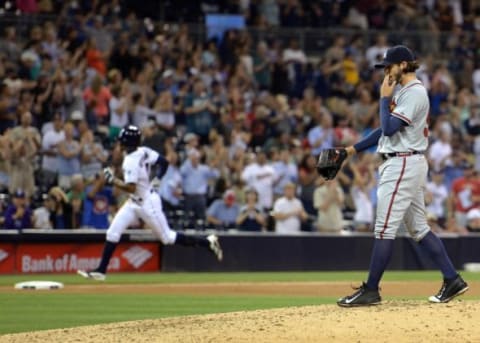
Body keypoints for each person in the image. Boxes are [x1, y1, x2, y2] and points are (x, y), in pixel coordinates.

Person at [336, 45, 468, 307]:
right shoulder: (405, 92)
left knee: (384, 228)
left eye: (390, 66)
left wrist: (383, 98)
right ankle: (452, 279)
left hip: (402, 164)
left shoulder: (415, 92)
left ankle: (371, 289)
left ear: (404, 65)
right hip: (406, 161)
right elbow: (384, 131)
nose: (386, 71)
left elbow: (389, 126)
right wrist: (350, 150)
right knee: (418, 227)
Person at [78, 126, 223, 281]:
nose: (119, 143)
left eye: (121, 141)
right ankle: (101, 271)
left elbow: (131, 187)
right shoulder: (144, 151)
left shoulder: (130, 160)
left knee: (167, 238)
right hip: (134, 202)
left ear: (126, 142)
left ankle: (207, 242)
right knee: (112, 232)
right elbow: (164, 163)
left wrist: (112, 180)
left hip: (148, 203)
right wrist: (157, 179)